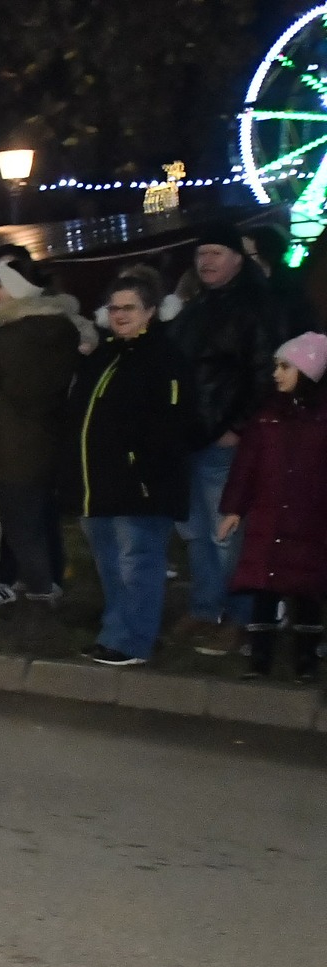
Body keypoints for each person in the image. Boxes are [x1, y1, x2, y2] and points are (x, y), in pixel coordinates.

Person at [171, 222, 296, 656]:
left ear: (238, 260)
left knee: (227, 531)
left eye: (216, 253)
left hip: (223, 440)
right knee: (196, 532)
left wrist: (238, 428)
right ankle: (206, 607)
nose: (206, 261)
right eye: (201, 253)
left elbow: (266, 374)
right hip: (189, 437)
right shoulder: (196, 309)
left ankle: (242, 616)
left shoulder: (256, 308)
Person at [71, 274, 195, 666]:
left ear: (150, 311)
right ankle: (114, 634)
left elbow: (171, 423)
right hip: (99, 483)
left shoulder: (163, 357)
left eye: (129, 308)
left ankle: (134, 641)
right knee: (111, 566)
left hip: (140, 485)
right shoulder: (104, 355)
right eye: (114, 308)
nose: (120, 315)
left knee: (137, 564)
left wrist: (146, 473)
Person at [0, 258, 84, 606]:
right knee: (43, 518)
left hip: (15, 444)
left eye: (0, 285)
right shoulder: (64, 330)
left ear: (16, 292)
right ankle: (45, 576)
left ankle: (41, 590)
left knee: (19, 523)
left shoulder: (6, 337)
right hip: (52, 439)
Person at [218, 333, 327, 681]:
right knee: (264, 589)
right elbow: (246, 467)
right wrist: (234, 509)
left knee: (307, 592)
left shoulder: (322, 420)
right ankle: (259, 659)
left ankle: (306, 662)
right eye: (276, 366)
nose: (276, 373)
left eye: (285, 367)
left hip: (309, 521)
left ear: (307, 372)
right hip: (269, 518)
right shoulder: (266, 418)